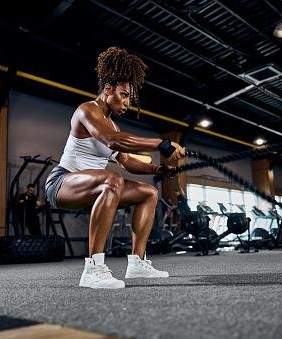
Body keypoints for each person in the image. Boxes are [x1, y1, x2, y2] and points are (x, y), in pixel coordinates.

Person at [45, 46, 185, 289]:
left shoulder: (113, 125)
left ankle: (137, 263)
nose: (127, 102)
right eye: (123, 94)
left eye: (129, 96)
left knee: (148, 193)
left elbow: (127, 161)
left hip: (93, 186)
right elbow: (112, 140)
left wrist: (157, 171)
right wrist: (160, 144)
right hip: (62, 183)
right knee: (112, 180)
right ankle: (93, 268)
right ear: (108, 89)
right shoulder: (87, 110)